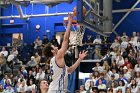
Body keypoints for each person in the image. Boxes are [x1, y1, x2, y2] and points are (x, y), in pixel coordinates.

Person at [43, 14, 88, 93]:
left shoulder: (55, 60)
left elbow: (70, 70)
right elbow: (66, 40)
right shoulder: (58, 56)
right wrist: (70, 22)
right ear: (52, 51)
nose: (55, 46)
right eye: (53, 46)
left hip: (56, 90)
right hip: (57, 90)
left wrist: (80, 59)